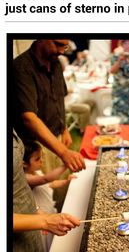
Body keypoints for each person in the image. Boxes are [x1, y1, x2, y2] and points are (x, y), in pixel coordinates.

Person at [13, 39, 85, 173]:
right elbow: (29, 118)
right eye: (58, 45)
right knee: (47, 190)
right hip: (38, 146)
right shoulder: (20, 67)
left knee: (62, 186)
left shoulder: (55, 62)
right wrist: (63, 152)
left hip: (57, 136)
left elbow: (59, 99)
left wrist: (64, 129)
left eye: (65, 46)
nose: (61, 51)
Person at [23, 140, 76, 213]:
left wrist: (66, 181)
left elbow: (50, 184)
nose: (41, 161)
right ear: (24, 164)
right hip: (43, 216)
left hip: (51, 210)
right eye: (37, 159)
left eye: (41, 157)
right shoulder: (26, 178)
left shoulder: (37, 172)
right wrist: (66, 165)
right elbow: (45, 179)